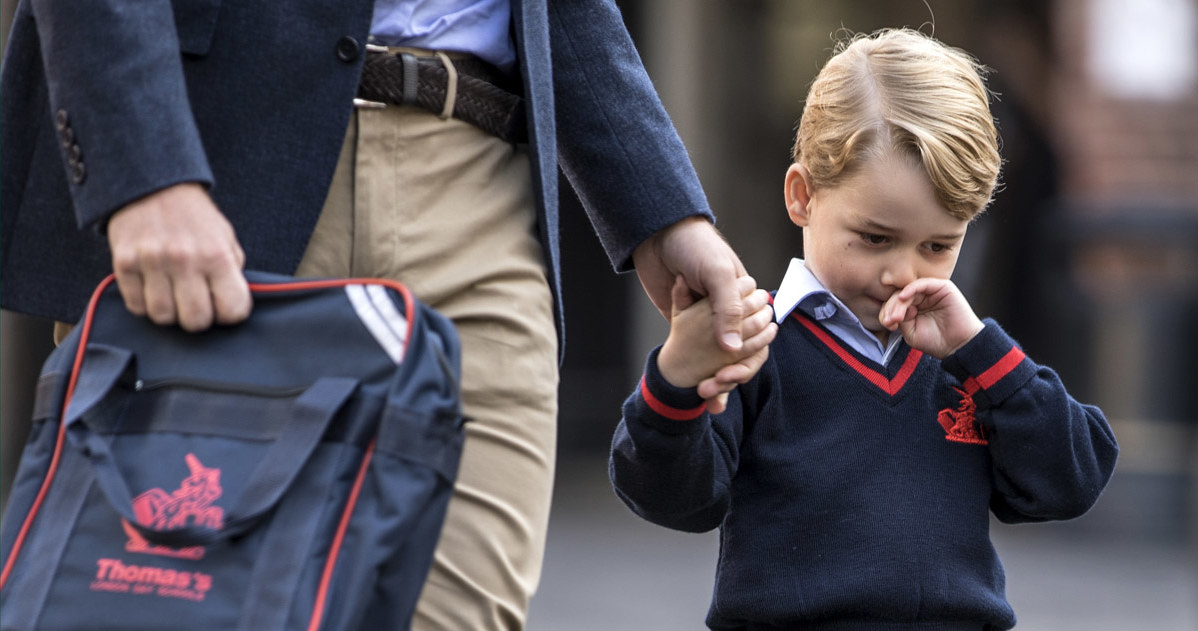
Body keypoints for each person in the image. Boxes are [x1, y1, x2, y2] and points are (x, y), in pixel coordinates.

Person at [0, 1, 774, 628]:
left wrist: (660, 206)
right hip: (219, 172)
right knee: (178, 610)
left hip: (474, 182)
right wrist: (145, 168)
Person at [609, 28, 1118, 630]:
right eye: (875, 238)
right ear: (802, 197)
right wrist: (675, 381)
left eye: (938, 245)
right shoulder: (754, 344)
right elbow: (675, 499)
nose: (902, 271)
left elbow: (1071, 482)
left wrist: (982, 354)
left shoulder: (973, 362)